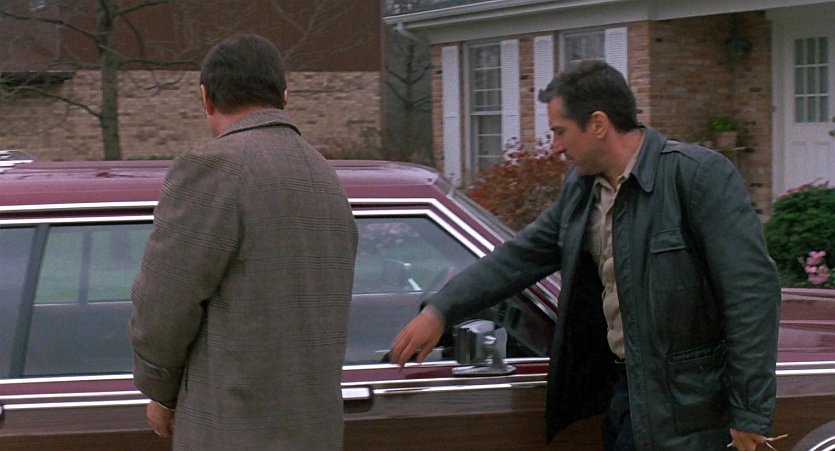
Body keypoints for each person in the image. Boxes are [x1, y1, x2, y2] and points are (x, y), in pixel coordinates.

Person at [389, 60, 781, 451]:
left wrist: (749, 410)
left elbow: (750, 293)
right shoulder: (581, 193)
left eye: (560, 131)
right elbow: (517, 259)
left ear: (598, 124)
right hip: (624, 400)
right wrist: (440, 311)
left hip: (693, 411)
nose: (556, 146)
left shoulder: (695, 176)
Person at [129, 34, 358, 450]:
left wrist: (160, 390)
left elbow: (164, 304)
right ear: (284, 96)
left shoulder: (214, 168)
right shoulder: (325, 177)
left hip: (231, 430)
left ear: (206, 97)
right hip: (317, 432)